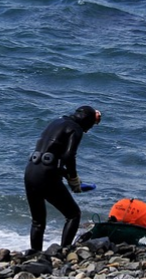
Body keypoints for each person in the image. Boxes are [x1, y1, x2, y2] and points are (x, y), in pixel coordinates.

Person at [24, 105, 101, 253]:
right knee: (73, 215)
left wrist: (66, 176)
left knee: (38, 221)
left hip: (31, 171)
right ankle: (64, 251)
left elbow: (52, 155)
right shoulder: (76, 129)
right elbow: (69, 156)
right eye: (92, 124)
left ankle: (34, 255)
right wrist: (73, 180)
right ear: (86, 120)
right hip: (47, 174)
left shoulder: (56, 122)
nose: (90, 128)